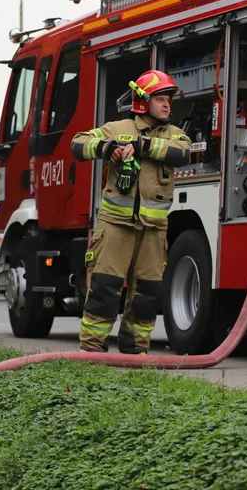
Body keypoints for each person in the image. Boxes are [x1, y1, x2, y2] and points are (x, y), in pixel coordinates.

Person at [70, 70, 193, 354]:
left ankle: (136, 353)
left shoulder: (174, 134)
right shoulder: (117, 128)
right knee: (104, 288)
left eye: (168, 100)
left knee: (148, 295)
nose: (167, 105)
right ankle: (91, 352)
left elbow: (183, 152)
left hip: (154, 230)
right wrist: (108, 148)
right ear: (142, 101)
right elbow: (77, 143)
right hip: (115, 226)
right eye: (160, 99)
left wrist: (142, 146)